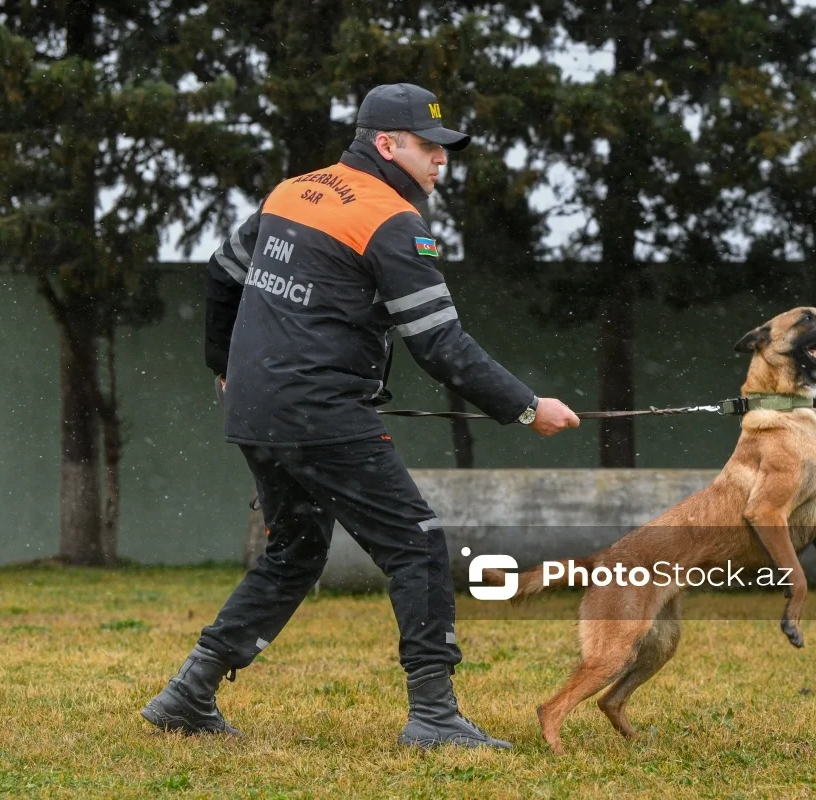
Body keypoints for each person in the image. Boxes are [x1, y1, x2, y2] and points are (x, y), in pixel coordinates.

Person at [141, 83, 580, 749]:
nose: (442, 162)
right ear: (387, 144)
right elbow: (438, 343)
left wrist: (224, 365)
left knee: (295, 551)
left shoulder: (292, 191)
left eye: (445, 149)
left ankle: (188, 694)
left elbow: (223, 271)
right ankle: (433, 717)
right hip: (320, 412)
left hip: (257, 409)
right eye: (429, 148)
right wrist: (526, 408)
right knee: (418, 542)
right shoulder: (390, 221)